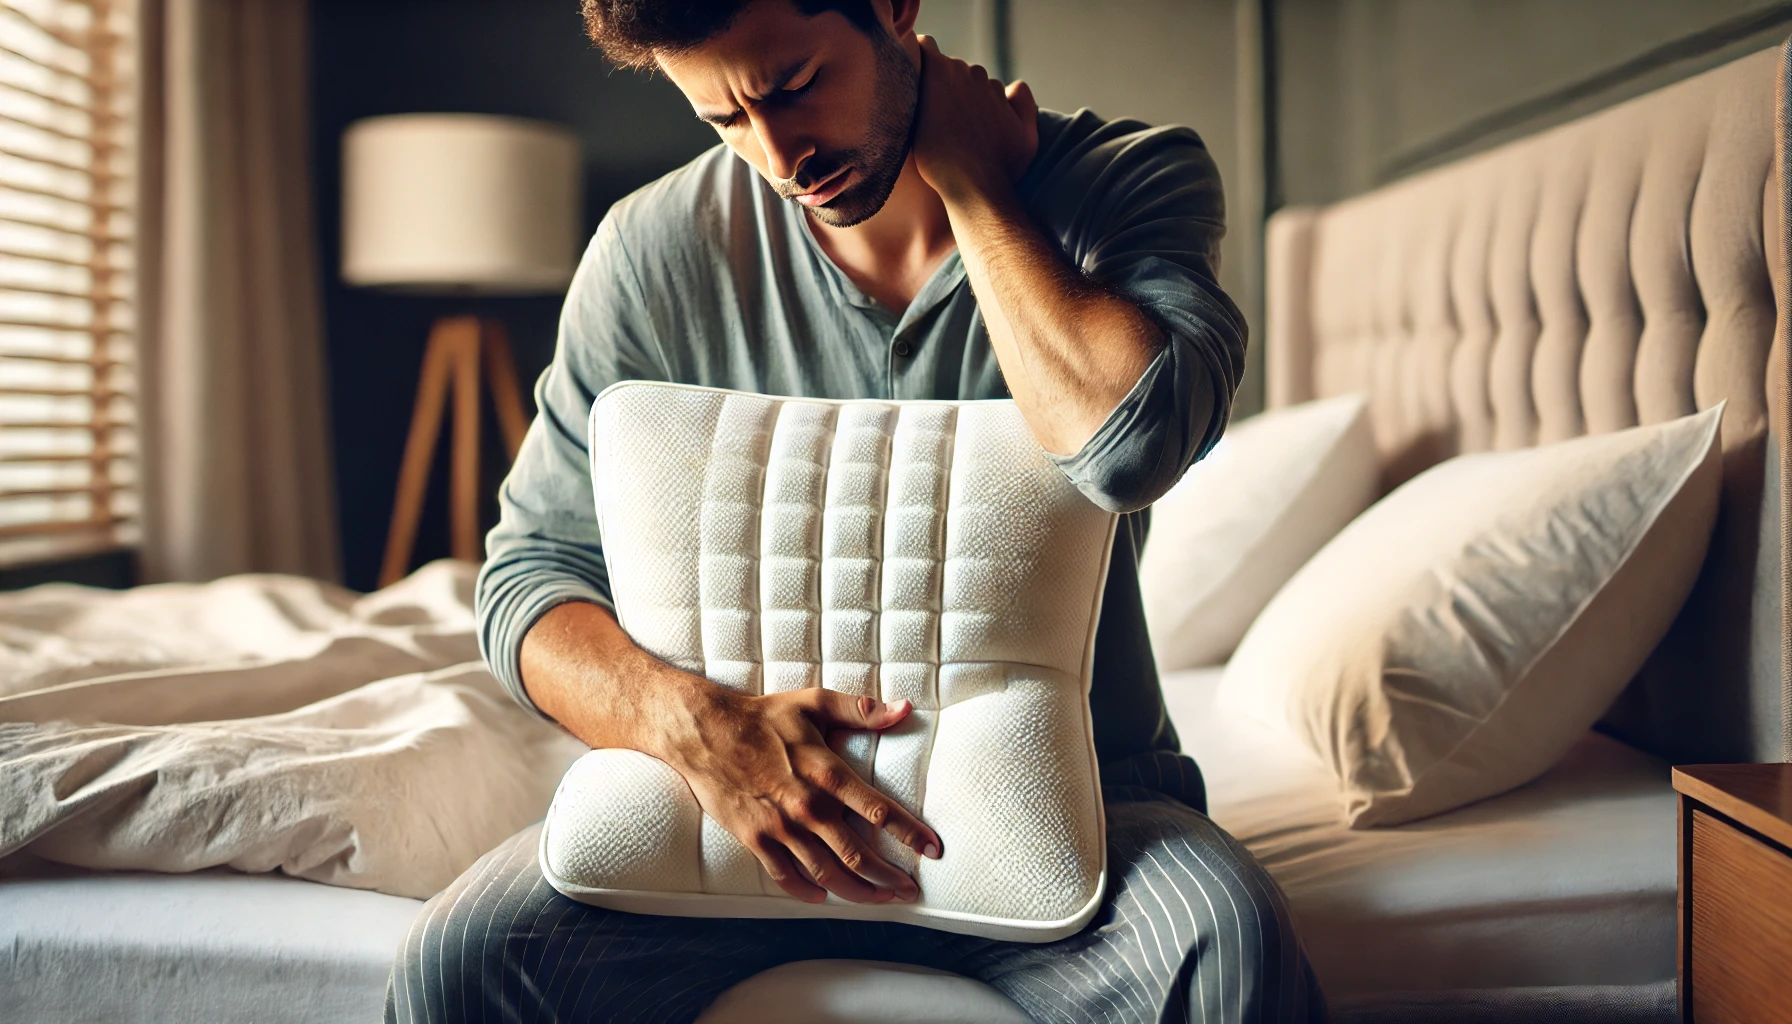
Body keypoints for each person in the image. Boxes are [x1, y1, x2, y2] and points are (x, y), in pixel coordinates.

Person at [387, 0, 1326, 1020]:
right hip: (739, 809)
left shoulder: (1125, 180)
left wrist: (975, 187)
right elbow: (529, 577)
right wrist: (698, 729)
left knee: (1223, 945)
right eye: (724, 122)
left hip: (1084, 802)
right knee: (461, 961)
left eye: (792, 87)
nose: (780, 153)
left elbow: (1129, 445)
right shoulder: (652, 251)